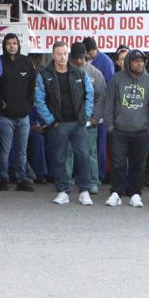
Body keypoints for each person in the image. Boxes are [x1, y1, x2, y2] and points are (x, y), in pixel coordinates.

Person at [41, 42, 95, 208]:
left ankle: (84, 191)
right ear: (53, 55)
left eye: (65, 54)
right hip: (59, 124)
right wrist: (51, 120)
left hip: (78, 124)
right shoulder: (45, 75)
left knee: (84, 156)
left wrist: (85, 115)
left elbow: (90, 94)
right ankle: (63, 191)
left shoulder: (78, 73)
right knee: (59, 158)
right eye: (59, 54)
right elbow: (39, 100)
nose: (62, 57)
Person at [103, 51, 149, 208]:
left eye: (142, 61)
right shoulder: (117, 80)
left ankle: (135, 194)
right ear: (128, 63)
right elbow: (108, 103)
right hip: (119, 130)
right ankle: (116, 193)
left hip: (141, 131)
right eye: (136, 61)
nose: (140, 64)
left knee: (139, 164)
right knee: (118, 163)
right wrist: (110, 126)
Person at [0, 32, 37, 192]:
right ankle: (3, 178)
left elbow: (33, 86)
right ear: (4, 45)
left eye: (14, 43)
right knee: (5, 150)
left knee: (22, 150)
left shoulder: (26, 62)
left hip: (23, 115)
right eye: (9, 43)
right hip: (6, 116)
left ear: (19, 45)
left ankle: (21, 179)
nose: (12, 46)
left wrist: (29, 105)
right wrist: (1, 103)